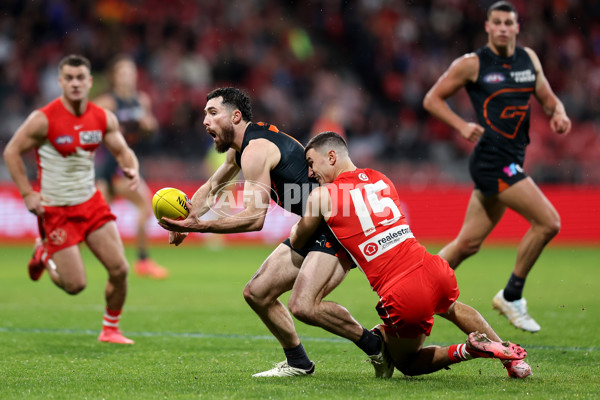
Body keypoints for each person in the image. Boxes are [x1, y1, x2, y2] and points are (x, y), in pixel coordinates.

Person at [159, 87, 391, 377]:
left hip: (335, 227)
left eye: (212, 113)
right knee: (257, 293)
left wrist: (199, 226)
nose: (205, 121)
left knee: (304, 306)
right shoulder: (241, 147)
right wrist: (191, 213)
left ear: (235, 116)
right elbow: (214, 184)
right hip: (312, 224)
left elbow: (255, 219)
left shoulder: (256, 151)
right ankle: (298, 363)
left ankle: (376, 345)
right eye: (205, 114)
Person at [290, 131, 532, 379]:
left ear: (331, 157)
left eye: (311, 163)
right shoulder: (381, 179)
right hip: (432, 268)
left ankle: (468, 350)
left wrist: (297, 225)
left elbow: (299, 238)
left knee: (408, 363)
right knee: (453, 308)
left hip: (401, 291)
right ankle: (513, 362)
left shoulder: (322, 196)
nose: (310, 173)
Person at [422, 1, 571, 332]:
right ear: (487, 27)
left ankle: (417, 287)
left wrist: (558, 112)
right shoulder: (472, 64)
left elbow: (548, 98)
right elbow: (431, 99)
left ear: (517, 27)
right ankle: (512, 295)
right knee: (549, 222)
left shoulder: (528, 59)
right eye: (497, 22)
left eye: (509, 22)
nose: (503, 27)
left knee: (467, 244)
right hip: (493, 161)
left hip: (511, 158)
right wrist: (460, 125)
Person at [3, 54, 138, 345]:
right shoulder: (43, 119)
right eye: (69, 78)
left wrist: (132, 167)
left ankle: (110, 329)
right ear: (60, 82)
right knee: (75, 285)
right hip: (56, 210)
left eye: (80, 78)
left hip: (90, 203)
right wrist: (27, 193)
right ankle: (44, 253)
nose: (75, 83)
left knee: (120, 269)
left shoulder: (102, 117)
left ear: (89, 82)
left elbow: (123, 149)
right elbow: (11, 152)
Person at [94, 54, 168, 279]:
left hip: (128, 164)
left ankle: (142, 261)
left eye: (131, 71)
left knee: (145, 207)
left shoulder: (141, 100)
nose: (128, 76)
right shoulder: (107, 102)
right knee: (95, 219)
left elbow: (152, 130)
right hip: (109, 163)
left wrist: (148, 127)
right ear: (115, 77)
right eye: (123, 72)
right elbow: (90, 125)